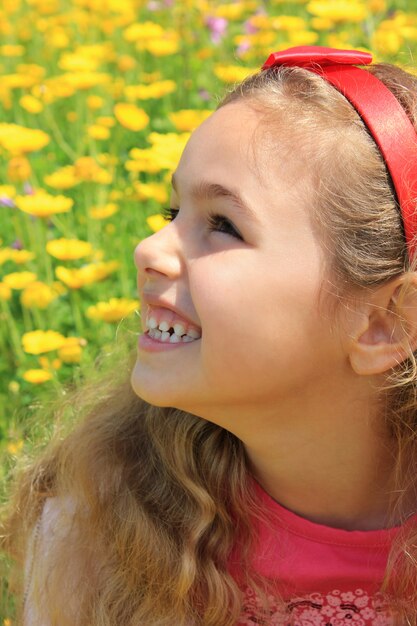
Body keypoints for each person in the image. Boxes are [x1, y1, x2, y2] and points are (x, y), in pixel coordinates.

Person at [2, 45, 417, 626]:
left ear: (385, 323)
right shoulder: (93, 536)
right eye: (172, 212)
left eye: (222, 225)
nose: (149, 248)